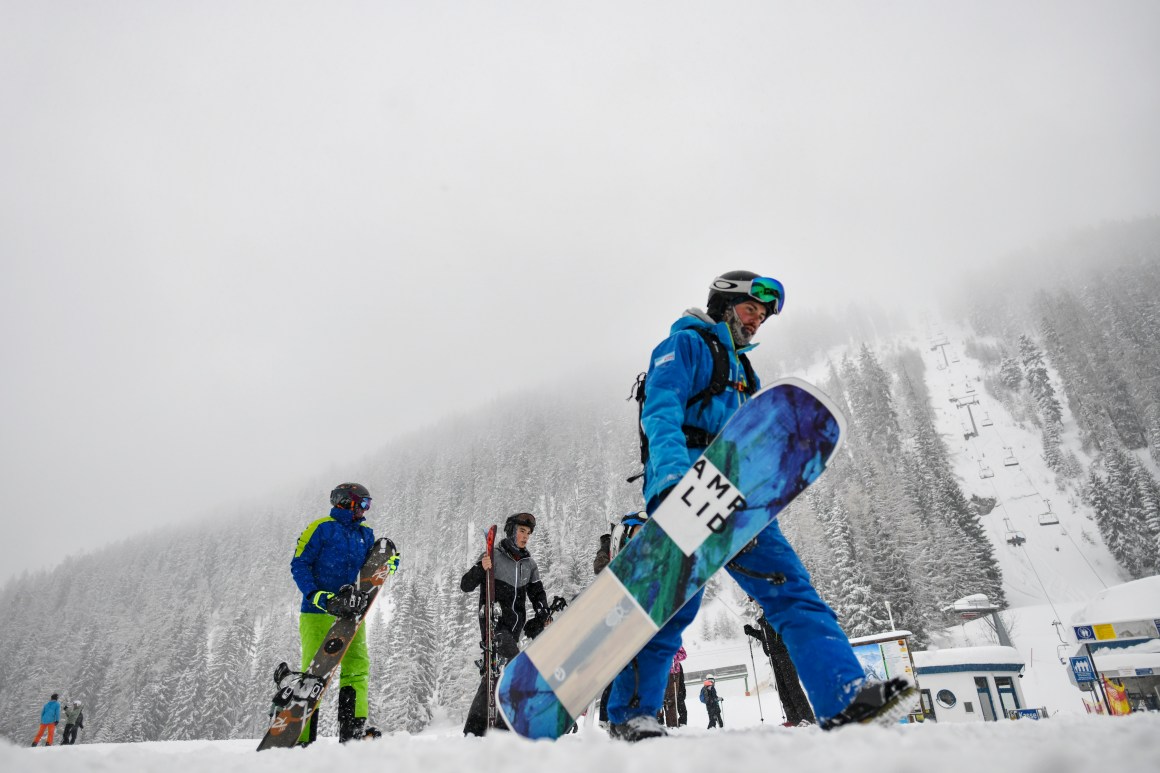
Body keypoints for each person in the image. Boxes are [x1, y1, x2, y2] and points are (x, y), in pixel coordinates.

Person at [605, 271, 911, 741]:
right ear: (724, 304)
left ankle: (845, 697)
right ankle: (631, 713)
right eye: (751, 310)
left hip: (741, 500)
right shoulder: (685, 345)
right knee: (673, 607)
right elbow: (660, 410)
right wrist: (669, 481)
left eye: (762, 317)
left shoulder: (746, 373)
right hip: (692, 485)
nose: (756, 321)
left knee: (793, 593)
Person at [291, 482, 395, 745]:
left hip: (352, 613)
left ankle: (353, 731)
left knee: (357, 668)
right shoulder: (321, 528)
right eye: (362, 503)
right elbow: (299, 563)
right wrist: (316, 595)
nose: (365, 509)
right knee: (315, 672)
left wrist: (389, 565)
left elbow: (372, 570)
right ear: (343, 502)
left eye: (367, 504)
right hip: (319, 611)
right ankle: (302, 735)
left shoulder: (365, 534)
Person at [460, 512, 550, 736]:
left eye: (528, 533)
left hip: (513, 630)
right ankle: (502, 727)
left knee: (495, 675)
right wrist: (481, 567)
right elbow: (466, 585)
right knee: (510, 664)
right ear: (511, 531)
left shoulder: (529, 564)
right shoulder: (493, 556)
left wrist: (542, 613)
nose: (525, 536)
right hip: (493, 624)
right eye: (521, 531)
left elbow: (537, 594)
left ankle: (475, 730)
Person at [593, 512, 648, 727]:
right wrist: (606, 548)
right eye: (638, 531)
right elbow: (600, 569)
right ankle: (608, 717)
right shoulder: (614, 550)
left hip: (636, 617)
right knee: (618, 669)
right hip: (614, 614)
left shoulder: (643, 554)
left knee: (635, 669)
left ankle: (634, 714)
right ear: (627, 532)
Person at [744, 611, 816, 726]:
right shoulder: (765, 616)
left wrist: (766, 623)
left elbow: (779, 634)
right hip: (773, 656)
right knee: (782, 688)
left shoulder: (776, 612)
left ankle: (807, 718)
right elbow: (768, 638)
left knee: (792, 686)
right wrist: (752, 632)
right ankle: (793, 719)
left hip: (785, 654)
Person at [661, 646, 687, 728]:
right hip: (660, 673)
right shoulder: (655, 641)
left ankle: (672, 725)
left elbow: (683, 655)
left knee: (672, 699)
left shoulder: (674, 642)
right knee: (659, 698)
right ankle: (658, 722)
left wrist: (674, 656)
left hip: (673, 673)